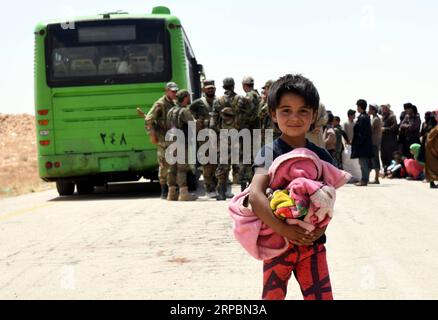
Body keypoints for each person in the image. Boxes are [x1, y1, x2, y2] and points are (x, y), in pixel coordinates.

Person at [248, 74, 336, 300]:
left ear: (314, 115)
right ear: (273, 114)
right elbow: (256, 196)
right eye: (286, 110)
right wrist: (284, 229)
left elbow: (328, 199)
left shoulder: (321, 156)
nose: (294, 117)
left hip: (313, 245)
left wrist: (319, 230)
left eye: (303, 111)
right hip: (277, 245)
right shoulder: (269, 153)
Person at [211, 78, 248, 200]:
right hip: (239, 135)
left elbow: (213, 122)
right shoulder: (241, 100)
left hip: (224, 136)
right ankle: (243, 193)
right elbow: (248, 116)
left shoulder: (218, 101)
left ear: (223, 87)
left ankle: (221, 193)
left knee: (223, 164)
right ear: (233, 86)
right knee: (242, 163)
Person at [144, 82, 178, 199]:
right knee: (164, 164)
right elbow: (148, 119)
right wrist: (152, 135)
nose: (174, 93)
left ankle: (173, 189)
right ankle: (163, 189)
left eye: (175, 91)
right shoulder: (160, 104)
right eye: (172, 91)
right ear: (166, 91)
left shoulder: (174, 103)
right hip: (163, 139)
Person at [166, 90, 198, 201]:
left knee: (172, 167)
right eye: (188, 97)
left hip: (170, 141)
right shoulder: (185, 111)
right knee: (182, 168)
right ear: (184, 98)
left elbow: (167, 125)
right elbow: (193, 125)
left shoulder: (170, 110)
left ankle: (171, 193)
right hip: (181, 141)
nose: (189, 99)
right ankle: (183, 193)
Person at [190, 80, 218, 198]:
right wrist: (197, 122)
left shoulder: (218, 101)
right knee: (207, 163)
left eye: (212, 88)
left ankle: (217, 187)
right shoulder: (198, 103)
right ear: (203, 90)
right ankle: (209, 189)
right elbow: (189, 112)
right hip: (204, 136)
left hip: (217, 136)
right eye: (208, 88)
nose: (210, 90)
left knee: (216, 163)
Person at [351, 99, 373, 186]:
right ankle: (364, 179)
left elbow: (362, 133)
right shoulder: (364, 117)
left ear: (360, 107)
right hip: (364, 144)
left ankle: (364, 180)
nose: (357, 108)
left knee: (363, 163)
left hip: (363, 145)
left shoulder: (363, 117)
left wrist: (359, 144)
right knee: (363, 163)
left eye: (357, 106)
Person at [259, 80, 281, 144]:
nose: (264, 91)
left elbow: (260, 113)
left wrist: (263, 100)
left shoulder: (273, 100)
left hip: (273, 132)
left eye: (265, 89)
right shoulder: (277, 98)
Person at [380, 104, 399, 170]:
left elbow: (394, 127)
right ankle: (385, 170)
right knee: (383, 155)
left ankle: (391, 171)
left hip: (390, 140)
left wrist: (385, 129)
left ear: (388, 109)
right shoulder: (382, 118)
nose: (382, 109)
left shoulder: (392, 117)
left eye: (384, 108)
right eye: (382, 108)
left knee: (390, 156)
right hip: (383, 140)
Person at [369, 104, 382, 184]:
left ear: (374, 110)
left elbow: (370, 129)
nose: (369, 110)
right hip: (373, 142)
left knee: (375, 160)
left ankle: (376, 179)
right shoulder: (374, 118)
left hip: (374, 142)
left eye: (370, 109)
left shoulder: (376, 119)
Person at [425, 109, 438, 188]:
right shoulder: (432, 124)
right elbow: (429, 136)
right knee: (431, 166)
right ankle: (431, 182)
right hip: (431, 148)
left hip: (433, 148)